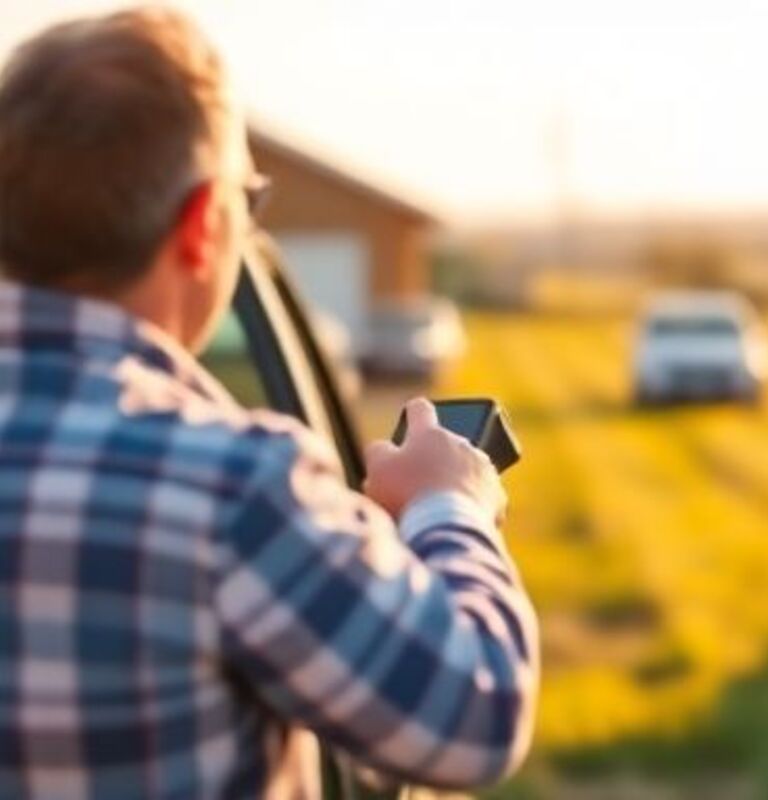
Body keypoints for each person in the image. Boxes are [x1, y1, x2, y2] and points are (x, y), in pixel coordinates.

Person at [0, 7, 537, 797]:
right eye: (245, 206)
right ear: (200, 230)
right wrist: (447, 507)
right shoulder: (230, 486)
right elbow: (474, 718)